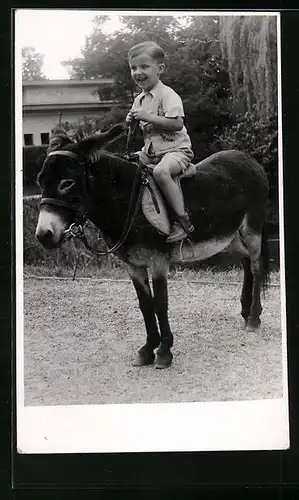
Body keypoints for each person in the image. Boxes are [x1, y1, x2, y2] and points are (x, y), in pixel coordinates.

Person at [126, 41, 194, 243]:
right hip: (152, 151)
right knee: (124, 167)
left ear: (160, 69)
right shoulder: (139, 100)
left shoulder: (168, 95)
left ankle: (183, 221)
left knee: (161, 172)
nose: (138, 72)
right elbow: (139, 129)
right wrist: (130, 122)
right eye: (134, 68)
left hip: (176, 151)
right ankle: (139, 219)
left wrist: (148, 116)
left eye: (144, 66)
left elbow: (177, 124)